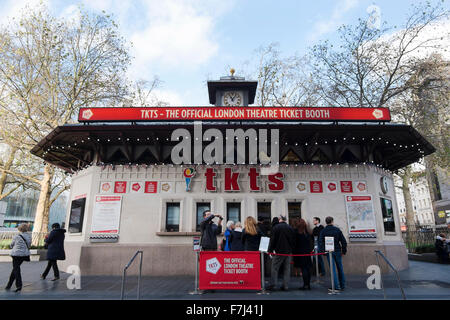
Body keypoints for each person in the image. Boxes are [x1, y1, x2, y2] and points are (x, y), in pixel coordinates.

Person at [267, 215, 295, 291]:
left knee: (274, 268)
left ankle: (273, 284)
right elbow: (293, 240)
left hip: (279, 251)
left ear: (280, 219)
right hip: (288, 251)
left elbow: (273, 240)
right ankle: (286, 285)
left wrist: (270, 250)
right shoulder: (290, 227)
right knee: (287, 268)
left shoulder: (276, 228)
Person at [319, 216, 347, 292]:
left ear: (326, 222)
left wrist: (323, 251)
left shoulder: (323, 231)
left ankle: (336, 286)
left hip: (329, 251)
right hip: (337, 251)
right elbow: (343, 241)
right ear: (332, 221)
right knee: (340, 268)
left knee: (333, 269)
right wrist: (343, 251)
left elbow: (320, 242)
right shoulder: (337, 230)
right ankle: (342, 285)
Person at [5, 223, 31, 292]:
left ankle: (19, 285)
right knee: (15, 269)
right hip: (24, 255)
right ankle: (9, 285)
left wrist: (10, 246)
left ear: (19, 229)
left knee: (16, 269)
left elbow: (11, 245)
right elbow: (29, 245)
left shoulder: (16, 236)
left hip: (16, 255)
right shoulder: (29, 236)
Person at [293, 218, 313, 290]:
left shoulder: (296, 232)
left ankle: (305, 285)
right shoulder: (307, 232)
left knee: (303, 268)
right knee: (307, 268)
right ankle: (308, 284)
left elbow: (294, 243)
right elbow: (311, 243)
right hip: (307, 252)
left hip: (299, 253)